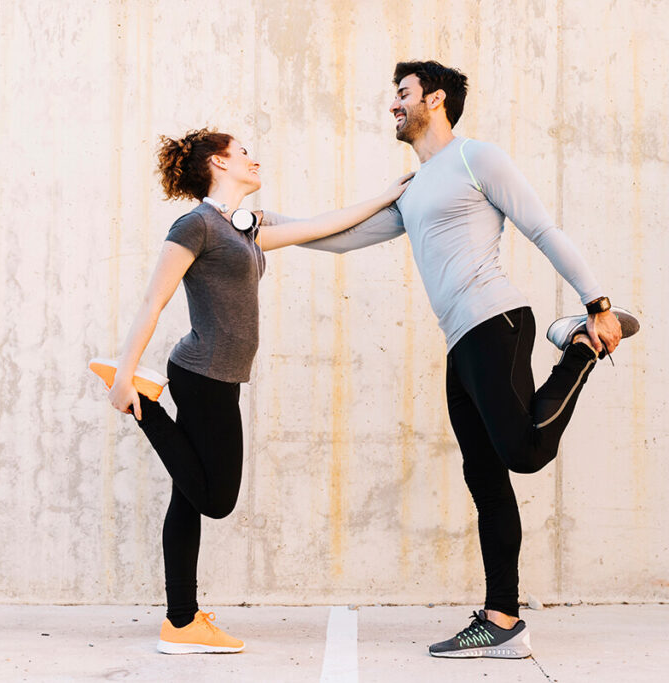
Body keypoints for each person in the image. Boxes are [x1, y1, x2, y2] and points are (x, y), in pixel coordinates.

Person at [293, 60, 639, 658]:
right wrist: (262, 227)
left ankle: (580, 345)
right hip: (460, 341)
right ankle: (501, 619)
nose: (394, 104)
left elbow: (543, 227)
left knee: (524, 453)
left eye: (402, 94)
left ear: (436, 99)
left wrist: (597, 303)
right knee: (485, 477)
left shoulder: (477, 158)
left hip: (495, 322)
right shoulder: (413, 186)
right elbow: (342, 235)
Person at [97, 128, 412, 654]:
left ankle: (181, 620)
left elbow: (320, 227)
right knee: (216, 500)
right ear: (220, 162)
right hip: (201, 375)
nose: (255, 159)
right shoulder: (195, 224)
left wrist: (389, 194)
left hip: (221, 376)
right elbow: (154, 300)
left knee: (188, 495)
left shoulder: (242, 229)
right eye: (245, 153)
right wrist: (126, 375)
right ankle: (145, 406)